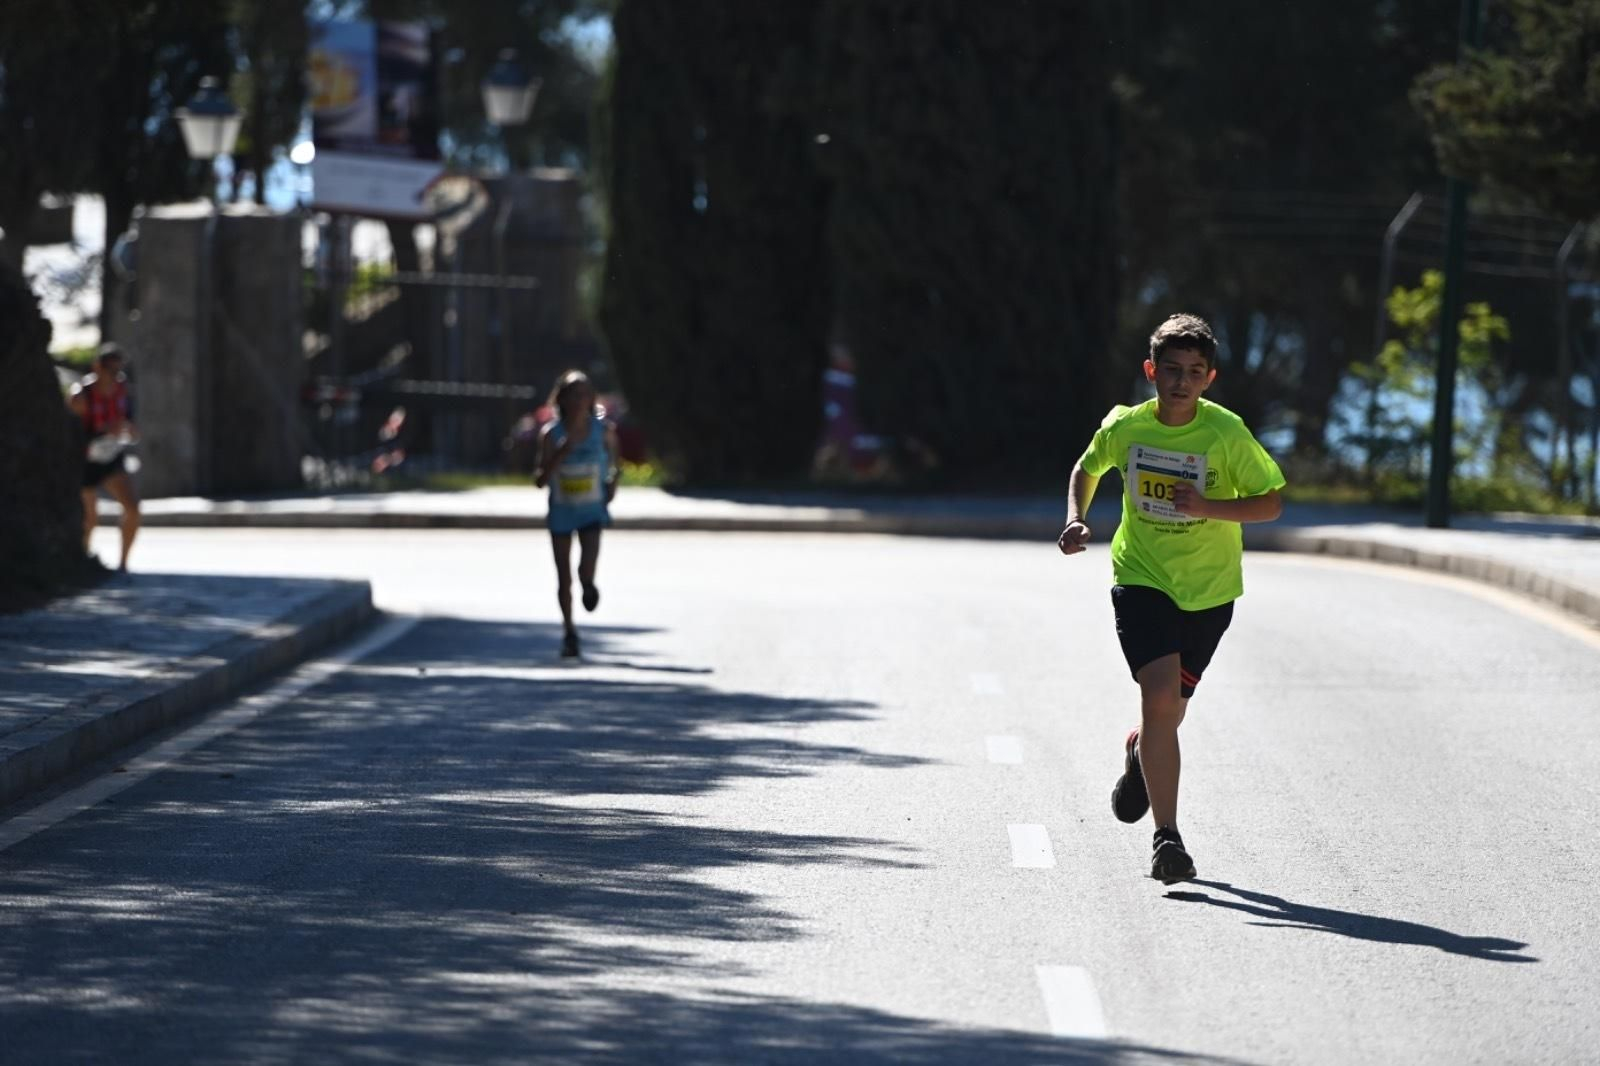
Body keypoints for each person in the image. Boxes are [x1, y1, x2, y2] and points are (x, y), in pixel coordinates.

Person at [1058, 314, 1285, 884]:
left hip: (1209, 592)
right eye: (1172, 371)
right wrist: (1077, 519)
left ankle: (1139, 753)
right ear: (1151, 370)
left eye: (1194, 372)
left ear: (1210, 378)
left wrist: (1207, 507)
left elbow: (1270, 503)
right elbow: (1087, 468)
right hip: (1142, 576)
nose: (1181, 382)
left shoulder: (1225, 433)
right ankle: (1168, 839)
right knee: (1160, 700)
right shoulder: (1127, 427)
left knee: (1170, 714)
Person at [533, 370, 619, 659]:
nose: (580, 399)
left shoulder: (602, 431)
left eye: (585, 393)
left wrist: (612, 483)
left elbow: (614, 463)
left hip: (592, 509)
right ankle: (569, 631)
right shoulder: (551, 434)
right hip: (561, 511)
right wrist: (559, 454)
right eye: (574, 393)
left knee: (586, 567)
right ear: (563, 399)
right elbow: (540, 480)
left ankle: (589, 584)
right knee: (563, 576)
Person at [66, 342, 141, 571]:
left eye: (118, 370)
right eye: (111, 370)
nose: (115, 375)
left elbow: (129, 421)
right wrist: (105, 430)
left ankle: (123, 563)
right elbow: (72, 431)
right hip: (85, 460)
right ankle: (82, 560)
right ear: (98, 367)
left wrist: (128, 430)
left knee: (132, 508)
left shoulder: (122, 390)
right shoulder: (82, 395)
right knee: (90, 517)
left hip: (110, 456)